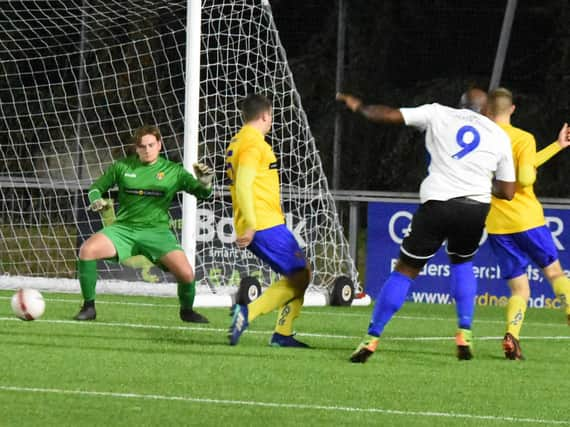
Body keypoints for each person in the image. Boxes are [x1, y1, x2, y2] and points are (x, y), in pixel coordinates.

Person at [337, 88, 516, 363]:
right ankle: (464, 333)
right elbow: (508, 191)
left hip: (438, 203)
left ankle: (371, 339)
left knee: (405, 271)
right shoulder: (498, 135)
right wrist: (477, 179)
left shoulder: (437, 112)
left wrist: (359, 106)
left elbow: (389, 115)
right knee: (462, 263)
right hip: (475, 208)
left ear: (460, 104)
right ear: (487, 111)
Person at [74, 125, 213, 323]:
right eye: (142, 146)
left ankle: (187, 311)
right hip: (124, 229)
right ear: (136, 148)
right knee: (87, 250)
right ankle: (89, 307)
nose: (147, 150)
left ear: (159, 145)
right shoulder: (122, 167)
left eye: (151, 145)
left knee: (187, 273)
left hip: (157, 232)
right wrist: (96, 200)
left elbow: (203, 195)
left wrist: (205, 183)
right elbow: (96, 188)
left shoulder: (174, 171)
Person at [485, 87, 570, 360]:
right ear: (512, 109)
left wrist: (557, 146)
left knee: (519, 288)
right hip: (527, 219)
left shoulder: (482, 140)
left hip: (497, 225)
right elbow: (525, 177)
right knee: (555, 273)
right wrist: (525, 175)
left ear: (487, 110)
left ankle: (512, 335)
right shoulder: (522, 138)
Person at [226, 94, 312, 347]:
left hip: (262, 221)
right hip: (263, 223)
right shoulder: (254, 144)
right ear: (264, 115)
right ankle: (249, 314)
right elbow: (243, 185)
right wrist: (252, 224)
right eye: (271, 116)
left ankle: (282, 333)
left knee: (300, 274)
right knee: (301, 275)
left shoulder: (238, 140)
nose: (271, 121)